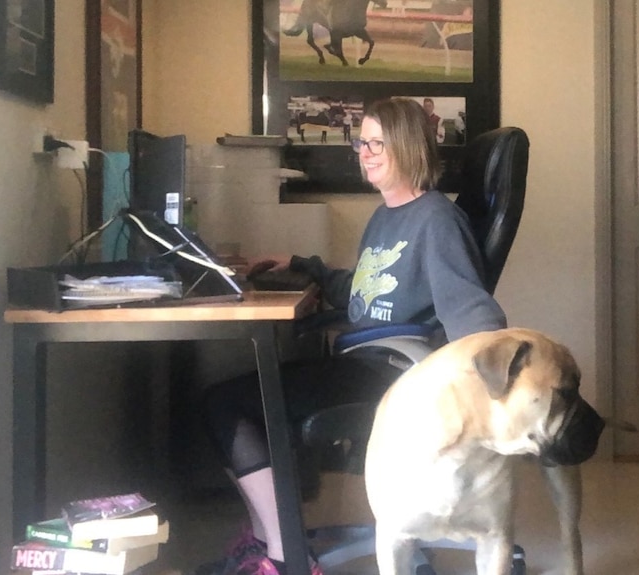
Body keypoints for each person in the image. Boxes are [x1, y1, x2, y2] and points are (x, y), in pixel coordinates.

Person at [196, 97, 507, 575]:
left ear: (406, 145)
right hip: (366, 358)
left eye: (376, 142)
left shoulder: (436, 222)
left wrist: (491, 378)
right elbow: (368, 290)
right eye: (361, 142)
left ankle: (286, 558)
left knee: (228, 405)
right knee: (229, 400)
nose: (364, 152)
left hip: (391, 372)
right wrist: (304, 267)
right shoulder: (388, 215)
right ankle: (269, 540)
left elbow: (471, 311)